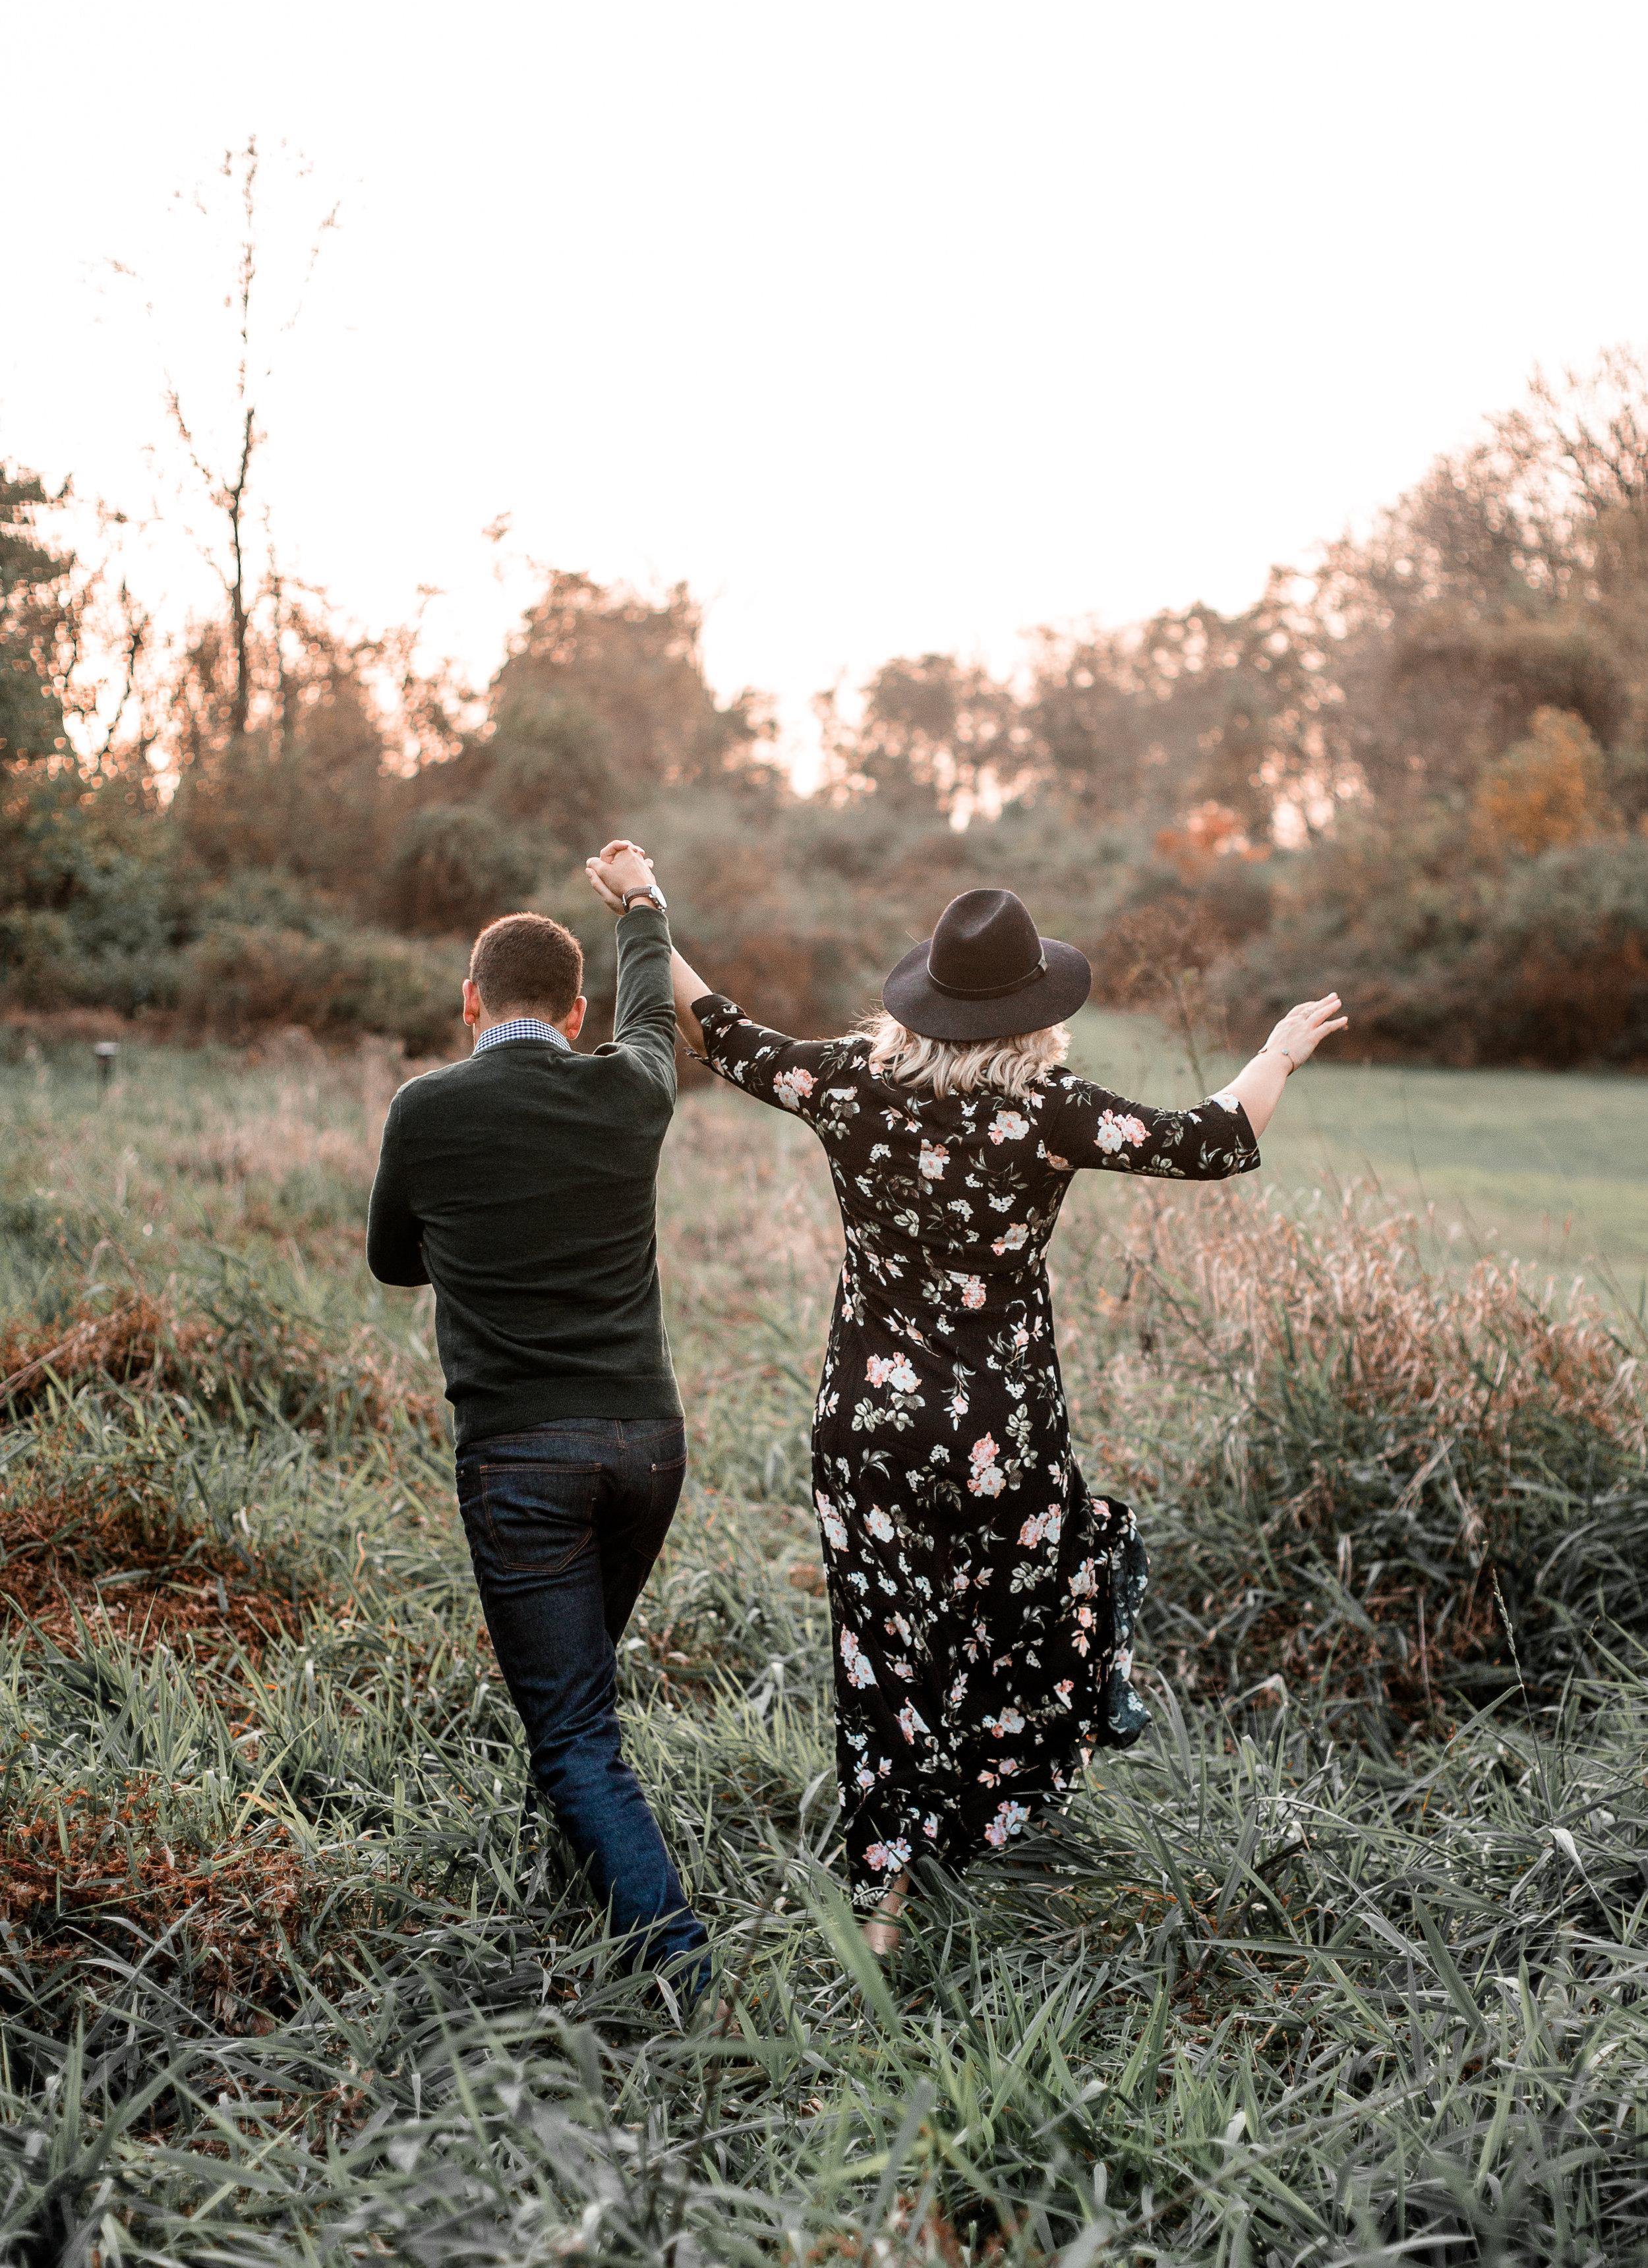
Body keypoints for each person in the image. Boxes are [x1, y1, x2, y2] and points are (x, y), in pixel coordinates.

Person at [584, 858, 1345, 1955]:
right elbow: (1210, 1140)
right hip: (1005, 1436)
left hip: (868, 1431)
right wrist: (1277, 1050)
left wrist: (646, 911)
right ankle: (976, 1828)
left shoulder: (851, 1081)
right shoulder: (1047, 1109)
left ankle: (888, 1897)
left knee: (882, 1653)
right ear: (1035, 1011)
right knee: (1012, 1626)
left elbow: (719, 1030)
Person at [365, 879, 710, 2004]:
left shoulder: (426, 1110)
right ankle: (576, 1880)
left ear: (471, 1002)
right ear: (574, 1014)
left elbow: (392, 1261)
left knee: (572, 1728)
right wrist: (643, 907)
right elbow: (657, 1017)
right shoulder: (627, 1087)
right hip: (648, 1449)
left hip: (523, 1458)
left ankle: (684, 1977)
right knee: (573, 1694)